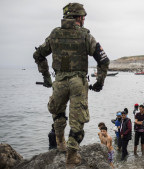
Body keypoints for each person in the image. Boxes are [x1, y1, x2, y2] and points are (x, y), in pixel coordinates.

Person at [33, 3, 110, 166]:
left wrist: (47, 77)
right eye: (83, 17)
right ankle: (71, 155)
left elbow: (38, 54)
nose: (84, 20)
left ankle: (60, 142)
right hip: (78, 83)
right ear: (79, 17)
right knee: (77, 121)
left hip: (59, 81)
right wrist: (99, 82)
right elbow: (104, 60)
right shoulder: (85, 35)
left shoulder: (54, 34)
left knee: (57, 111)